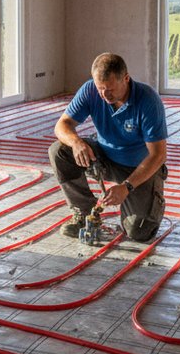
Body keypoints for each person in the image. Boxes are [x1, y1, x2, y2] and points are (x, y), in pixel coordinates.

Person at [49, 53, 168, 242]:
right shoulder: (90, 90)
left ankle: (148, 199)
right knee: (59, 151)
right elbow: (62, 125)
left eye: (110, 89)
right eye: (100, 89)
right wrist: (76, 142)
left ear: (126, 79)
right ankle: (83, 212)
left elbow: (158, 155)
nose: (105, 95)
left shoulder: (148, 101)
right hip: (105, 159)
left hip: (140, 168)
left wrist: (126, 187)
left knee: (139, 231)